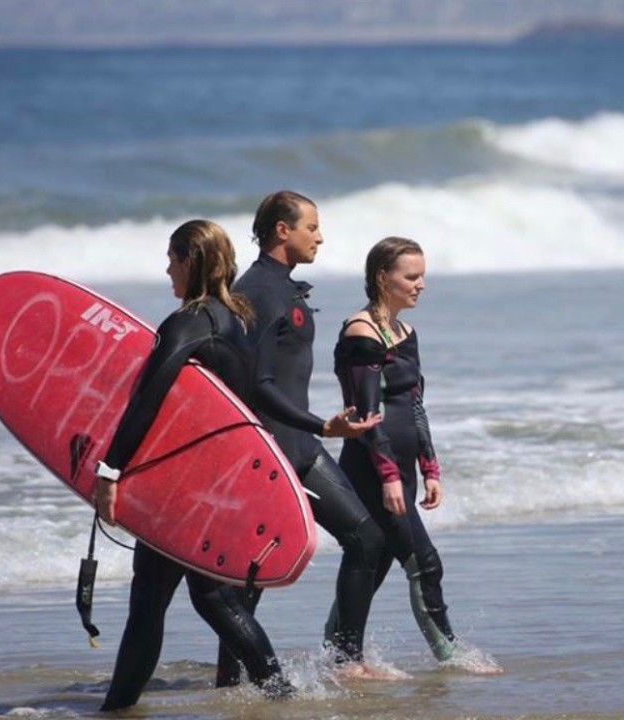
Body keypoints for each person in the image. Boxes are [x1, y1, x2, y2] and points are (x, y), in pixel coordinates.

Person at [92, 219, 293, 711]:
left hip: (184, 490)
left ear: (190, 261)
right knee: (165, 599)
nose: (167, 269)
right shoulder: (238, 320)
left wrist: (110, 471)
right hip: (222, 483)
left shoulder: (188, 323)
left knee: (189, 601)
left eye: (172, 258)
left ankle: (284, 696)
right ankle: (117, 706)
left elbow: (146, 401)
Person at [218, 190, 394, 682]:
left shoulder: (285, 288)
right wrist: (321, 425)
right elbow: (259, 385)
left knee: (366, 538)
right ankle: (230, 681)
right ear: (282, 230)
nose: (319, 235)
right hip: (270, 449)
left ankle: (346, 659)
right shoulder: (256, 292)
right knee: (249, 576)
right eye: (311, 226)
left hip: (300, 442)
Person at [328, 237, 498, 671]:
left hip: (400, 469)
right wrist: (387, 474)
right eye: (411, 276)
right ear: (383, 277)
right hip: (370, 467)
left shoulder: (405, 332)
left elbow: (415, 404)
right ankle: (450, 653)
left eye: (423, 275)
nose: (421, 284)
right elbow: (367, 414)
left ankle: (340, 654)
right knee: (424, 562)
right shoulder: (360, 333)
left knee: (375, 561)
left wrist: (430, 467)